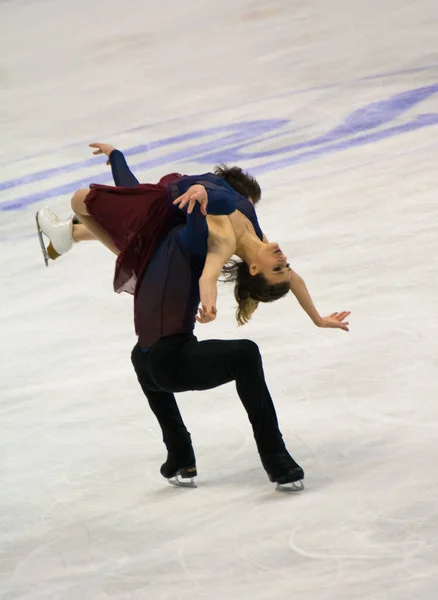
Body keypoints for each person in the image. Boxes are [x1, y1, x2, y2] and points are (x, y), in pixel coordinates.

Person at [37, 143, 351, 330]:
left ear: (254, 268)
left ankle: (73, 235)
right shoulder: (257, 235)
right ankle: (72, 235)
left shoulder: (225, 243)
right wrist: (317, 319)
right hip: (163, 202)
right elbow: (295, 282)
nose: (284, 261)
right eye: (286, 265)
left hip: (156, 221)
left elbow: (208, 279)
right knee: (117, 219)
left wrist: (210, 307)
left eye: (277, 268)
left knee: (81, 201)